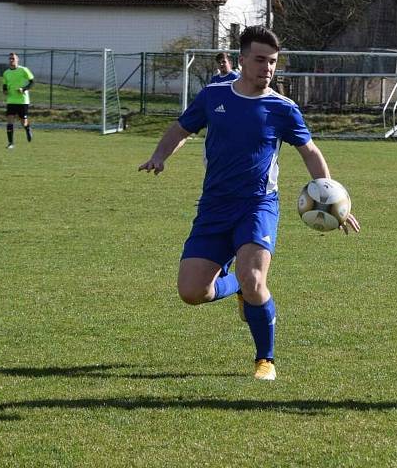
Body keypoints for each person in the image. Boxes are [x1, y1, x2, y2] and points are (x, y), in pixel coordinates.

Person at [139, 25, 360, 381]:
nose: (267, 68)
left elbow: (310, 151)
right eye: (260, 60)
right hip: (213, 207)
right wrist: (160, 155)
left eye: (273, 62)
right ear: (241, 61)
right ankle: (236, 287)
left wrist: (335, 199)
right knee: (192, 292)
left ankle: (265, 359)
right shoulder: (213, 96)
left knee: (255, 277)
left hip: (258, 205)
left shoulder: (282, 108)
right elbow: (181, 128)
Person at [2, 52, 34, 148]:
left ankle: (27, 128)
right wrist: (4, 90)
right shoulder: (6, 73)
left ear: (17, 60)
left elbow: (32, 82)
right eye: (10, 59)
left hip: (22, 100)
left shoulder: (23, 70)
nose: (11, 60)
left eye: (13, 58)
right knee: (10, 121)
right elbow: (4, 85)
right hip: (11, 100)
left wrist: (23, 89)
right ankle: (11, 143)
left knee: (23, 122)